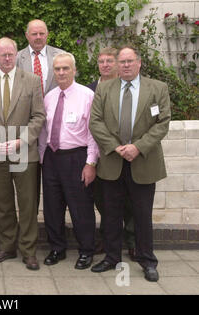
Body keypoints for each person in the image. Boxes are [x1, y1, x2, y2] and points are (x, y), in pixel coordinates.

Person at [89, 46, 171, 282]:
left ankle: (147, 260)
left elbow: (162, 123)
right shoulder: (104, 88)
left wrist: (138, 147)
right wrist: (116, 147)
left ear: (139, 62)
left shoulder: (157, 88)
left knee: (142, 215)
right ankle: (112, 257)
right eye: (121, 62)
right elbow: (96, 122)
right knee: (111, 214)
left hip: (143, 162)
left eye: (129, 61)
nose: (125, 65)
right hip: (113, 162)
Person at [0, 37, 46, 271]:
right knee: (2, 204)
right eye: (2, 54)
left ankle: (28, 251)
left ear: (16, 55)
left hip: (24, 153)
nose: (7, 58)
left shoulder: (32, 81)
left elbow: (38, 116)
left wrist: (20, 141)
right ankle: (7, 246)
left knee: (27, 204)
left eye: (10, 54)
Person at [38, 52, 99, 270]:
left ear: (74, 70)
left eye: (66, 68)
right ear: (53, 72)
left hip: (77, 157)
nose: (61, 72)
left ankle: (86, 250)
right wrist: (43, 157)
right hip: (52, 158)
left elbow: (93, 133)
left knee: (80, 207)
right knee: (52, 207)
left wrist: (90, 163)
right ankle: (57, 248)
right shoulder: (49, 97)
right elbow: (44, 131)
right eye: (57, 69)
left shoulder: (87, 95)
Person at [87, 47, 136, 260]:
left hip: (123, 153)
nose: (105, 65)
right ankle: (108, 240)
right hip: (97, 154)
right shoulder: (89, 89)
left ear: (116, 64)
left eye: (109, 61)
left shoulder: (127, 88)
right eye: (101, 61)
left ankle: (133, 241)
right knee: (102, 201)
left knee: (129, 202)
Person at [16, 19, 65, 211]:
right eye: (34, 34)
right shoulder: (17, 59)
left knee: (55, 180)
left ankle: (55, 218)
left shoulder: (60, 56)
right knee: (30, 181)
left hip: (56, 126)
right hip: (27, 126)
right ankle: (31, 220)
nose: (38, 37)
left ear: (47, 34)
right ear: (27, 35)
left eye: (41, 33)